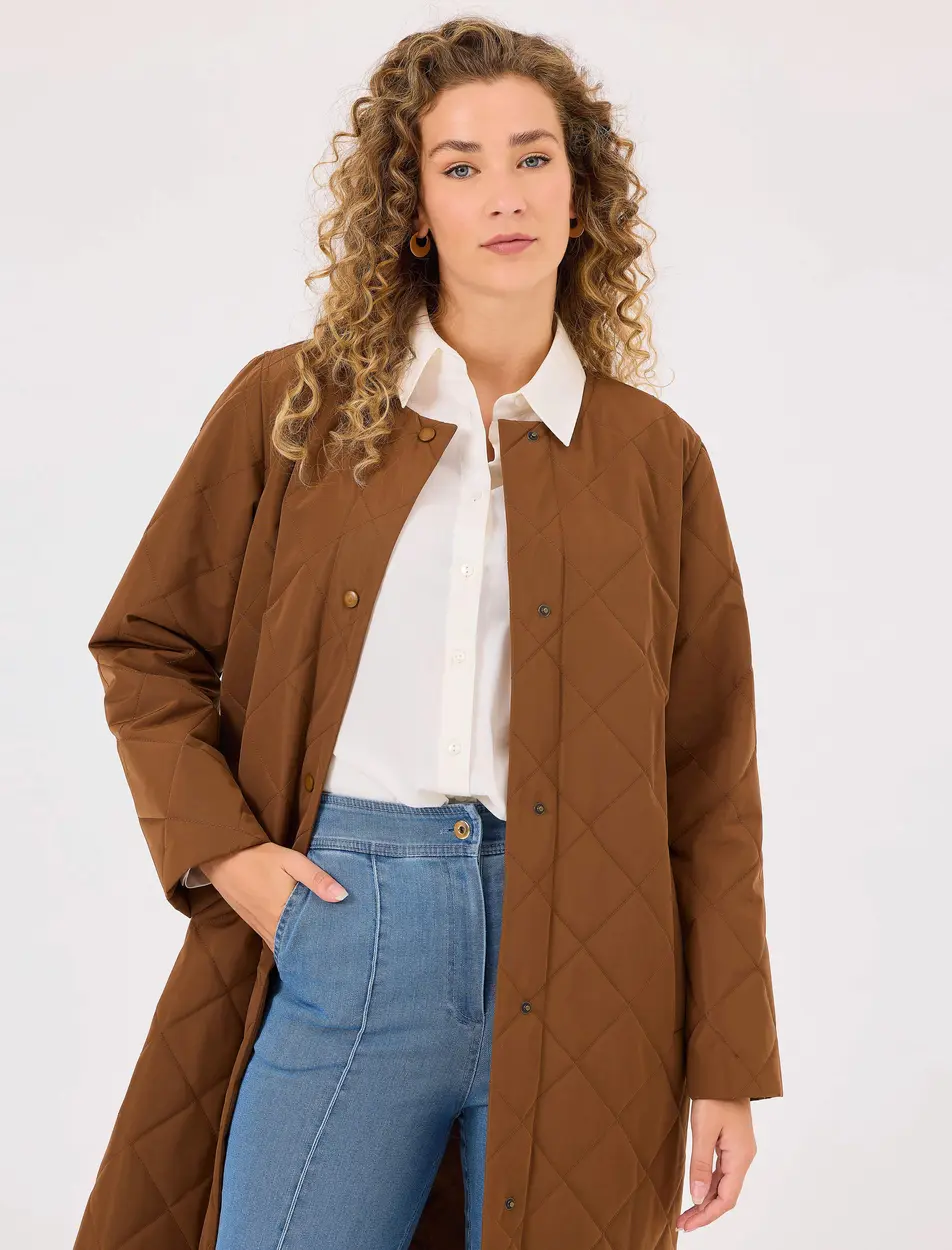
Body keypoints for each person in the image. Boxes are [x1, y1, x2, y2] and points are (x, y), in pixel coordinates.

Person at [76, 16, 782, 1250]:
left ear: (582, 194)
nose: (503, 194)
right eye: (461, 165)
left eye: (533, 158)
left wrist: (726, 1061)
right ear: (413, 211)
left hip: (595, 961)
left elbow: (710, 775)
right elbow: (148, 647)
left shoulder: (653, 459)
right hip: (350, 915)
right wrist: (231, 857)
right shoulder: (293, 409)